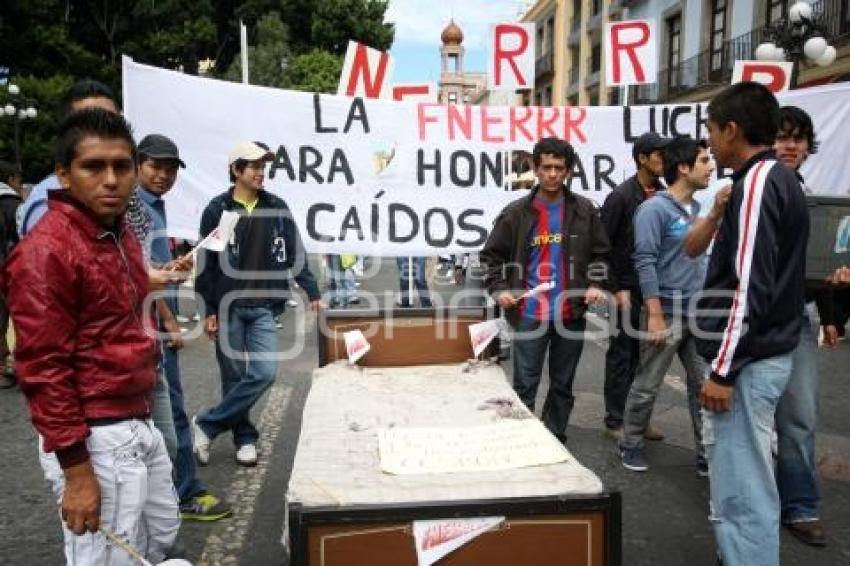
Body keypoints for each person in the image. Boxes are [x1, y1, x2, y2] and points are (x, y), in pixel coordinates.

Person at [3, 108, 179, 563]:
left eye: (121, 166)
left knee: (160, 537)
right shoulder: (46, 252)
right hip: (95, 434)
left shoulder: (118, 233)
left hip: (136, 417)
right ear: (63, 174)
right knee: (110, 557)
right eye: (93, 166)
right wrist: (78, 472)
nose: (111, 179)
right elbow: (43, 369)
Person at [696, 82, 809, 566]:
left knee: (743, 487)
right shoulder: (765, 181)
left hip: (748, 362)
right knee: (741, 479)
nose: (710, 142)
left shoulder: (761, 182)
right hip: (758, 356)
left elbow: (748, 287)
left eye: (712, 131)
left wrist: (723, 370)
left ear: (732, 130)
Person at [194, 141, 321, 467]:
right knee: (233, 377)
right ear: (236, 170)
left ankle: (207, 424)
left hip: (265, 305)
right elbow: (207, 264)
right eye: (253, 166)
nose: (260, 172)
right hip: (228, 307)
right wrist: (208, 310)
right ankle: (244, 439)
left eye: (263, 167)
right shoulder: (218, 210)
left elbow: (295, 251)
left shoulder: (276, 206)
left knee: (264, 372)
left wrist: (311, 289)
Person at [480, 136, 610, 443]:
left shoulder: (583, 210)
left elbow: (602, 253)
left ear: (568, 171)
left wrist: (595, 282)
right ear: (535, 169)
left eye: (559, 168)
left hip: (570, 313)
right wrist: (499, 290)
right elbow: (491, 257)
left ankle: (554, 438)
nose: (553, 174)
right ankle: (522, 439)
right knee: (525, 382)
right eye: (546, 167)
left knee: (563, 384)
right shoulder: (516, 212)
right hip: (528, 314)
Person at [135, 134, 232, 521]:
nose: (163, 175)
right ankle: (182, 493)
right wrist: (172, 323)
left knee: (164, 414)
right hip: (151, 328)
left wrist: (173, 266)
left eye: (171, 169)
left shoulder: (155, 207)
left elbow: (149, 269)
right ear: (137, 164)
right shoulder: (132, 209)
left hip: (154, 325)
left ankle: (166, 496)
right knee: (170, 413)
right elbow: (138, 276)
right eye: (155, 166)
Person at [618, 136, 714, 476]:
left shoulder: (699, 209)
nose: (711, 166)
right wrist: (655, 316)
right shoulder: (653, 209)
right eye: (704, 161)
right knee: (648, 384)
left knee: (704, 387)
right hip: (666, 312)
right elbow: (644, 261)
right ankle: (631, 444)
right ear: (683, 168)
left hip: (698, 313)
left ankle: (706, 453)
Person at [771, 105, 837, 546]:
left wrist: (832, 309)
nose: (791, 145)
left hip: (796, 318)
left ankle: (799, 505)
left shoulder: (812, 198)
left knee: (799, 418)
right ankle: (749, 502)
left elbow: (817, 265)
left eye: (798, 138)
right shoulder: (744, 190)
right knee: (745, 422)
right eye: (782, 136)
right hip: (751, 319)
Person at [599, 132, 670, 441]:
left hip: (656, 291)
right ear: (643, 158)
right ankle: (615, 420)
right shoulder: (621, 197)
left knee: (649, 359)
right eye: (660, 156)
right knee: (622, 356)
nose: (666, 162)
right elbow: (603, 247)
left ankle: (640, 418)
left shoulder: (666, 193)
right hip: (627, 291)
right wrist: (615, 288)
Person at [17, 80, 118, 237]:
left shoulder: (122, 198)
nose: (103, 131)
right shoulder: (46, 206)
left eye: (112, 122)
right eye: (89, 123)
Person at [0, 160, 22, 388]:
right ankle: (11, 365)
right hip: (9, 269)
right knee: (18, 318)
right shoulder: (11, 203)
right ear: (11, 180)